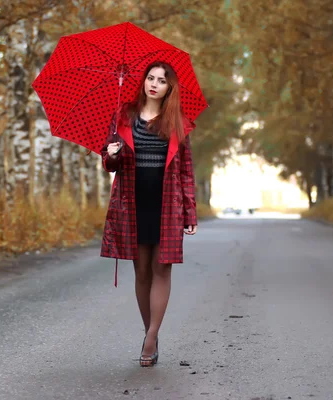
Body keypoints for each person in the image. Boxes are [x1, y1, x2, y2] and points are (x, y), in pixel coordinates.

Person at [100, 61, 198, 367]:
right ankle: (149, 334)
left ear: (170, 88)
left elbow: (185, 171)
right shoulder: (123, 116)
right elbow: (109, 162)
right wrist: (112, 154)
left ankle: (151, 338)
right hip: (132, 203)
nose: (154, 84)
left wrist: (190, 212)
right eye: (150, 78)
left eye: (161, 80)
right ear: (143, 81)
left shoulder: (178, 122)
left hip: (167, 203)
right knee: (141, 272)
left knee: (162, 269)